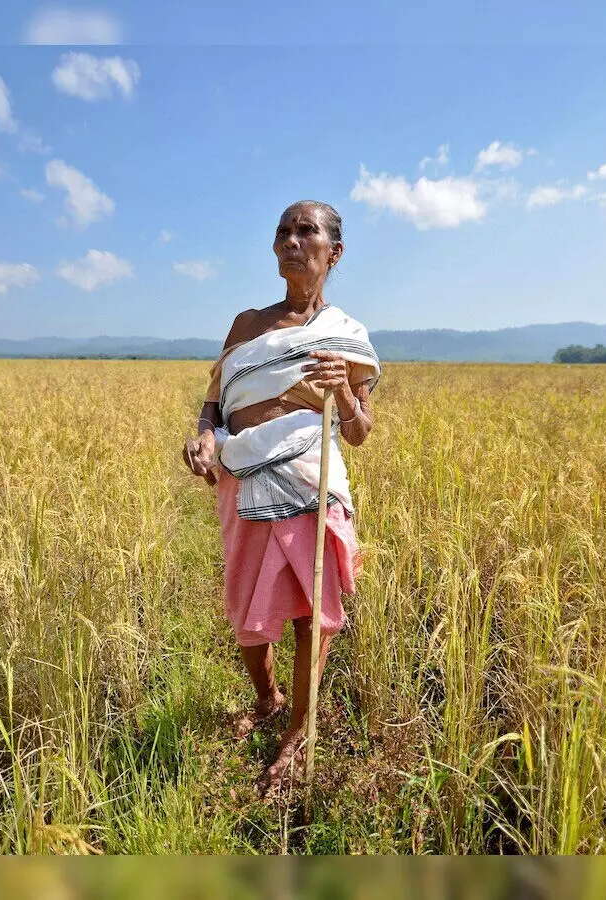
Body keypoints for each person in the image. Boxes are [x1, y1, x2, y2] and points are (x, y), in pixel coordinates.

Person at [181, 200, 381, 796]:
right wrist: (203, 439)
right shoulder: (247, 325)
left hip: (310, 477)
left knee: (311, 614)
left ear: (333, 252)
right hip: (242, 474)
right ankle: (267, 699)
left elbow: (360, 431)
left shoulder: (346, 336)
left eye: (307, 231)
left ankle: (299, 728)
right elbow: (214, 402)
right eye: (283, 232)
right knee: (247, 607)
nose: (292, 240)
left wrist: (344, 392)